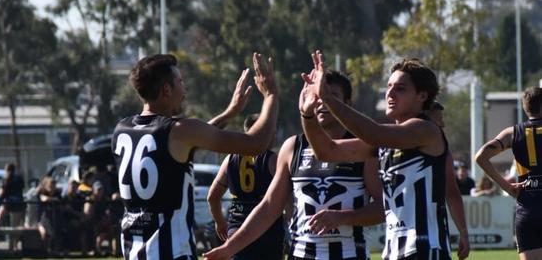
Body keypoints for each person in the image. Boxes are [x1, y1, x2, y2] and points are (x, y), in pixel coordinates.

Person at [111, 53, 278, 259]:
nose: (184, 90)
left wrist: (229, 113)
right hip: (172, 253)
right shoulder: (180, 130)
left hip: (134, 251)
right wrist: (271, 95)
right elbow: (256, 143)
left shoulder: (122, 130)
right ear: (166, 90)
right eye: (180, 82)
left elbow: (184, 143)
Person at [205, 70, 384, 260]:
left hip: (349, 255)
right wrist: (229, 248)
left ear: (347, 104)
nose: (322, 101)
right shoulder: (293, 147)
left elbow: (385, 207)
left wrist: (344, 218)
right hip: (300, 255)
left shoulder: (363, 149)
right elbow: (268, 207)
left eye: (332, 96)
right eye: (317, 95)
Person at [299, 52, 456, 260]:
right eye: (389, 86)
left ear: (422, 96)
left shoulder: (425, 129)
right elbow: (326, 151)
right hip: (393, 252)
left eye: (400, 89)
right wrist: (307, 114)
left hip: (425, 250)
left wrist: (328, 98)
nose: (390, 94)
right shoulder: (386, 142)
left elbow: (374, 132)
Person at [475, 86, 542, 259]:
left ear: (526, 108)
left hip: (527, 212)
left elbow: (480, 157)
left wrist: (506, 186)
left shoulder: (512, 133)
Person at [206, 113, 284, 260]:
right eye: (271, 131)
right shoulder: (273, 160)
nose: (274, 136)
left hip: (236, 231)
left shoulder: (230, 159)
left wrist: (220, 223)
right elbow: (287, 197)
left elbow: (212, 197)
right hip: (267, 232)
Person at [425, 101, 470, 257]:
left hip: (397, 244)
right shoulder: (440, 150)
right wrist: (463, 233)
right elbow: (451, 192)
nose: (443, 124)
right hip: (431, 241)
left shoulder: (392, 142)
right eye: (439, 119)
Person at [0, 162, 26, 251]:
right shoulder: (20, 179)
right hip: (18, 205)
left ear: (6, 170)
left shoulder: (6, 179)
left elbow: (0, 194)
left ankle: (8, 244)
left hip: (8, 205)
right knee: (15, 226)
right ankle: (15, 246)